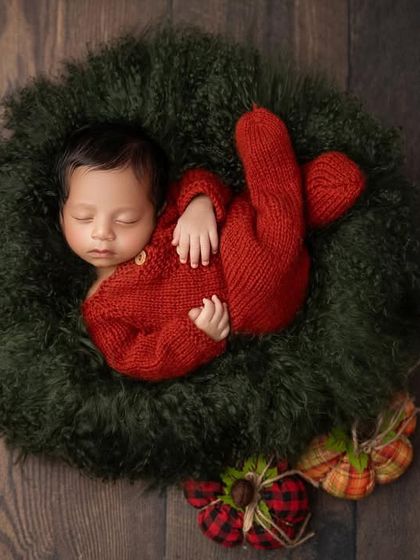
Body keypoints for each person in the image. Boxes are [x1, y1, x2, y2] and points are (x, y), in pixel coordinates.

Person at [58, 106, 365, 382]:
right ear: (61, 215)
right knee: (262, 270)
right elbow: (139, 359)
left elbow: (196, 180)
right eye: (83, 218)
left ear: (156, 209)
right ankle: (277, 183)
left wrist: (198, 204)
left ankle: (303, 196)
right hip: (247, 299)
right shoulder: (102, 313)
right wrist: (194, 336)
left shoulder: (166, 215)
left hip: (238, 227)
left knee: (255, 218)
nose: (102, 233)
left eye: (126, 220)